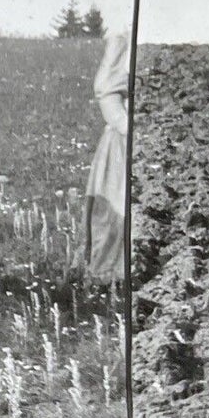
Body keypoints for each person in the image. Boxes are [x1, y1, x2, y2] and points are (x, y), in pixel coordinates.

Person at [84, 26, 130, 285]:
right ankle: (108, 278)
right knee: (114, 213)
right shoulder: (124, 36)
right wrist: (129, 128)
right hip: (124, 143)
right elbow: (106, 91)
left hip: (147, 140)